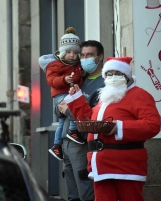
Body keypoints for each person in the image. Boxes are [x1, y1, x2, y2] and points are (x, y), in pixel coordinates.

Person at [64, 56, 161, 201]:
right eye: (109, 74)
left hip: (126, 163)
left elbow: (152, 125)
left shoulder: (140, 95)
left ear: (126, 76)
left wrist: (119, 127)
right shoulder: (104, 96)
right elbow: (90, 120)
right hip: (100, 163)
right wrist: (77, 99)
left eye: (118, 73)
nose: (113, 77)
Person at [46, 40, 105, 201]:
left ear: (100, 57)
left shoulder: (103, 84)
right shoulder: (79, 78)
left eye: (90, 55)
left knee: (86, 193)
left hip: (82, 146)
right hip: (66, 144)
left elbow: (93, 116)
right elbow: (58, 110)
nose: (84, 59)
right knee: (72, 196)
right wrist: (60, 108)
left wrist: (68, 110)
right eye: (83, 55)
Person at [38, 27, 85, 162]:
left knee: (61, 121)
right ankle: (73, 130)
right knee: (73, 108)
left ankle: (56, 145)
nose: (72, 55)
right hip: (61, 95)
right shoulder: (55, 65)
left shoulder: (77, 65)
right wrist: (64, 79)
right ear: (62, 52)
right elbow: (51, 80)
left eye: (75, 53)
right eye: (69, 52)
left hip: (71, 93)